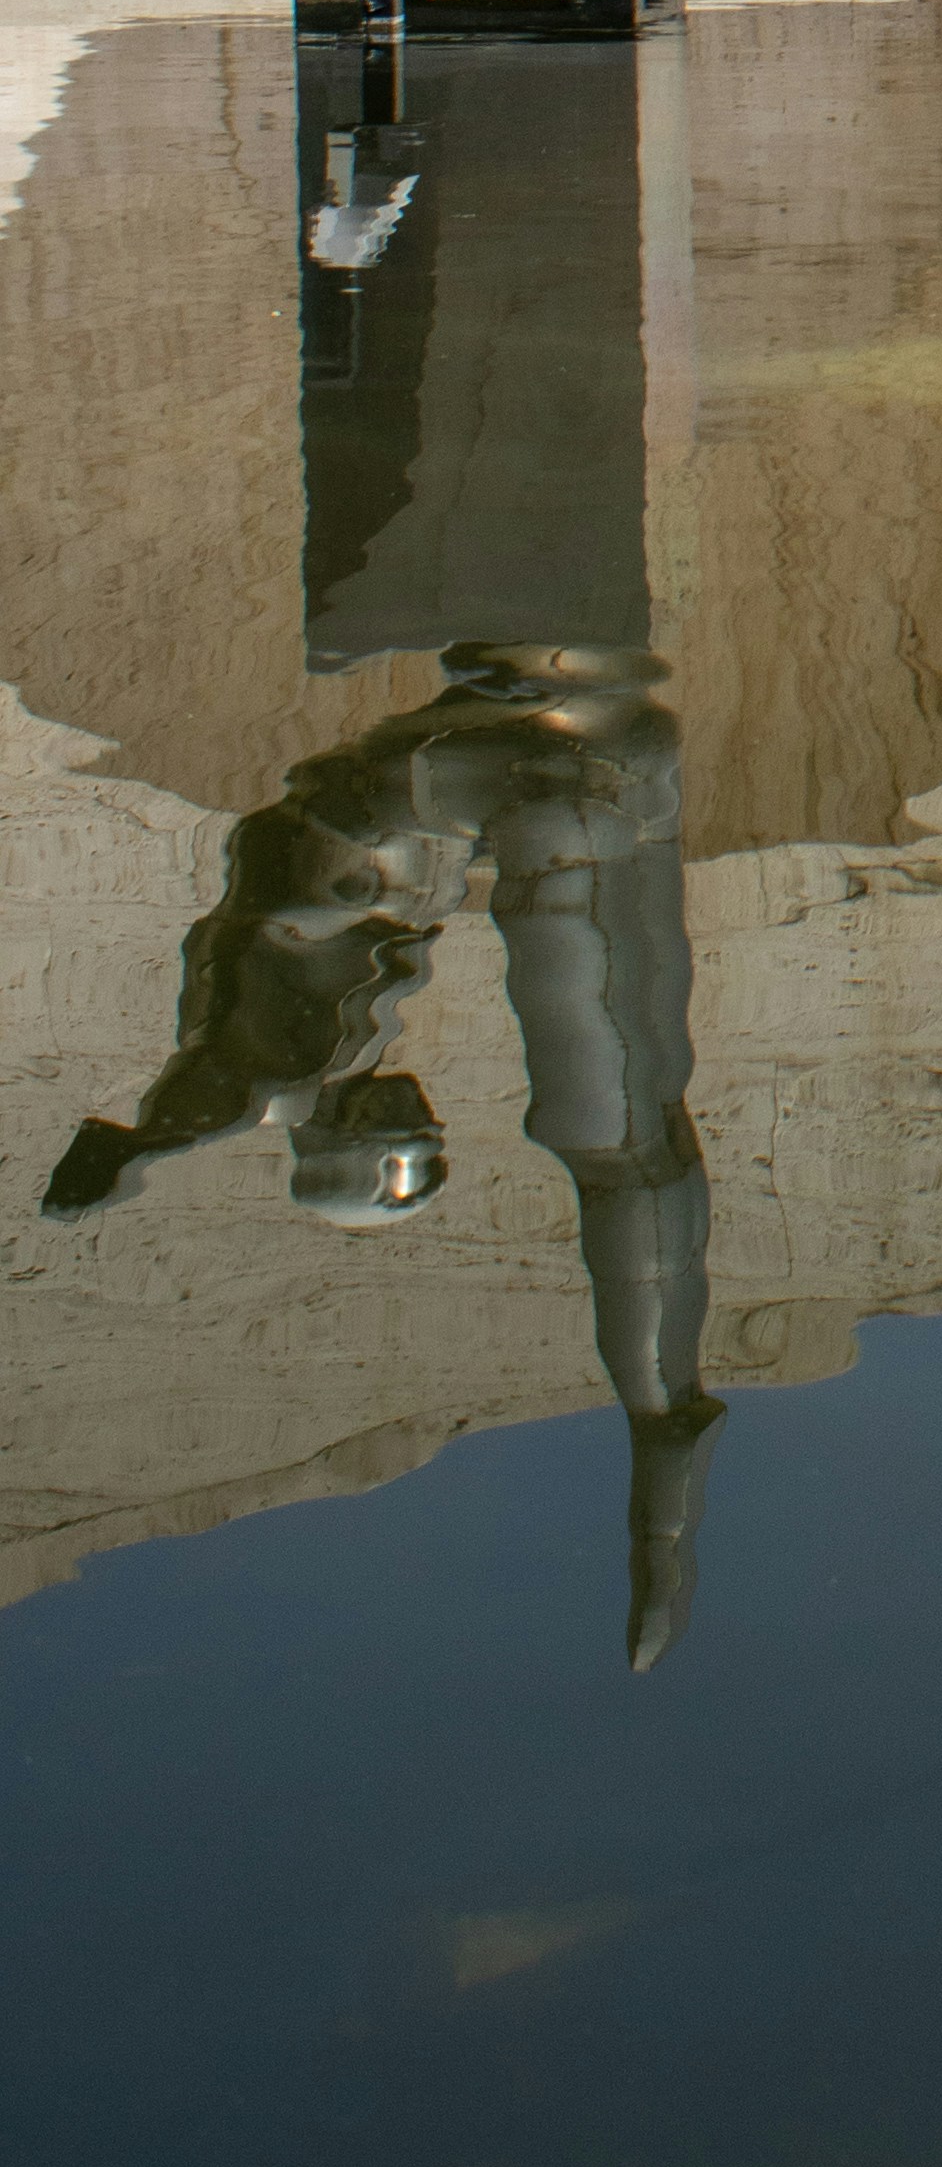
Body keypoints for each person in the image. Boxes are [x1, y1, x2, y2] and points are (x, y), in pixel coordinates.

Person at [42, 640, 723, 1667]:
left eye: (408, 1137)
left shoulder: (280, 1074)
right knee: (607, 794)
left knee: (583, 867)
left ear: (351, 1145)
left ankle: (664, 1419)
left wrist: (133, 1157)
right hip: (426, 794)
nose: (425, 1114)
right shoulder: (335, 1052)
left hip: (402, 805)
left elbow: (209, 1103)